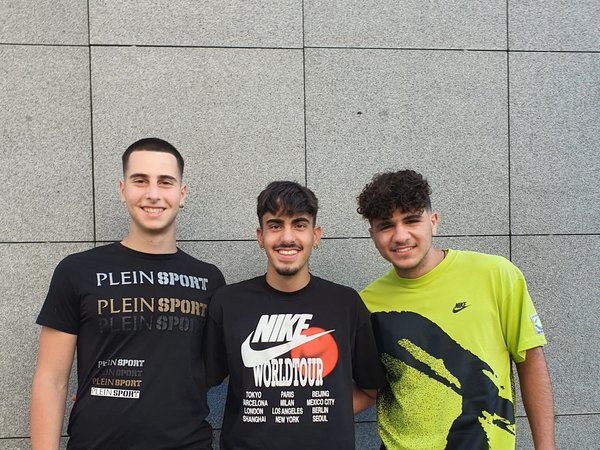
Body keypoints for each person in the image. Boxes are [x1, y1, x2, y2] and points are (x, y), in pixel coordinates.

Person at [30, 138, 225, 449]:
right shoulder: (77, 271)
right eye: (140, 180)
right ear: (123, 190)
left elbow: (222, 369)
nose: (153, 193)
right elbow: (51, 379)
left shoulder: (209, 280)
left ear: (182, 194)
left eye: (165, 182)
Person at [357, 169, 556, 450]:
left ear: (433, 221)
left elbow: (530, 359)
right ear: (373, 235)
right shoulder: (367, 303)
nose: (400, 236)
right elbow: (367, 388)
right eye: (386, 226)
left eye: (411, 220)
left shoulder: (496, 275)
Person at [204, 181, 384, 449]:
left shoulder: (346, 304)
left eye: (299, 225)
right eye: (275, 225)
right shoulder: (228, 302)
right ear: (260, 236)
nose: (287, 237)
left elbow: (370, 390)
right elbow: (216, 375)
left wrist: (317, 413)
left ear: (316, 235)